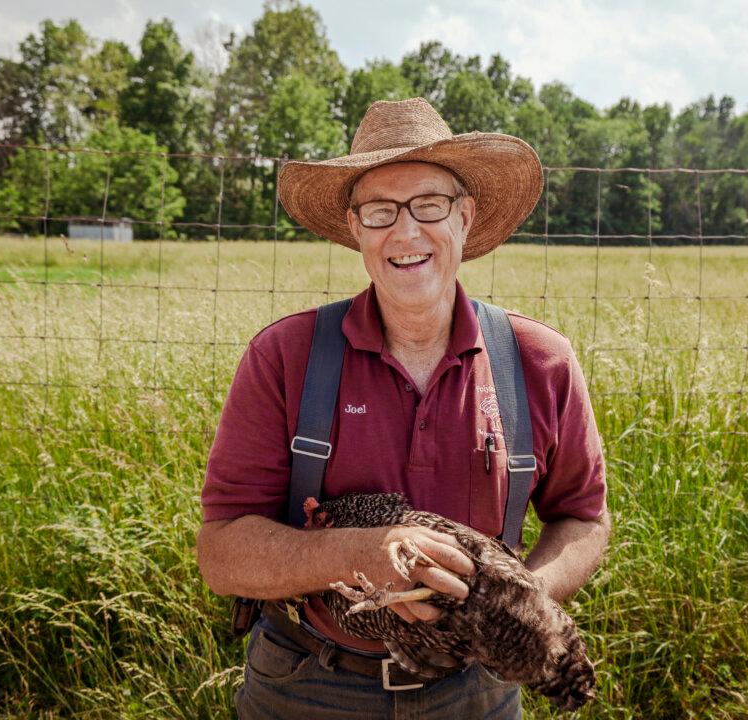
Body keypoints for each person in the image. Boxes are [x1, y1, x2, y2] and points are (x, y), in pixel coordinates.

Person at [196, 97, 609, 720]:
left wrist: (506, 602)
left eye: (430, 205)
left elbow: (584, 520)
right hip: (309, 684)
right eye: (381, 210)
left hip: (477, 691)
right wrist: (358, 554)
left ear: (465, 218)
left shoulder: (540, 361)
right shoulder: (285, 356)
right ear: (355, 227)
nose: (406, 232)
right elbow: (222, 551)